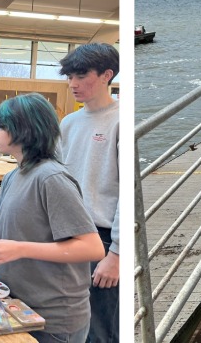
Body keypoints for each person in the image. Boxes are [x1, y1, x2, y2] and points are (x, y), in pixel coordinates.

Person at [0, 93, 104, 343]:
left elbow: (92, 247)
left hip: (54, 320)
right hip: (19, 307)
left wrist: (21, 249)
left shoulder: (51, 178)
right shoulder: (16, 174)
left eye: (1, 126)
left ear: (22, 130)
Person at [58, 44, 120, 343]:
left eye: (81, 76)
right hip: (68, 234)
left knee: (102, 330)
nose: (73, 84)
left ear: (107, 75)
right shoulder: (68, 123)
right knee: (74, 324)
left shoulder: (120, 120)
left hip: (105, 237)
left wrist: (116, 255)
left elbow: (127, 193)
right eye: (69, 76)